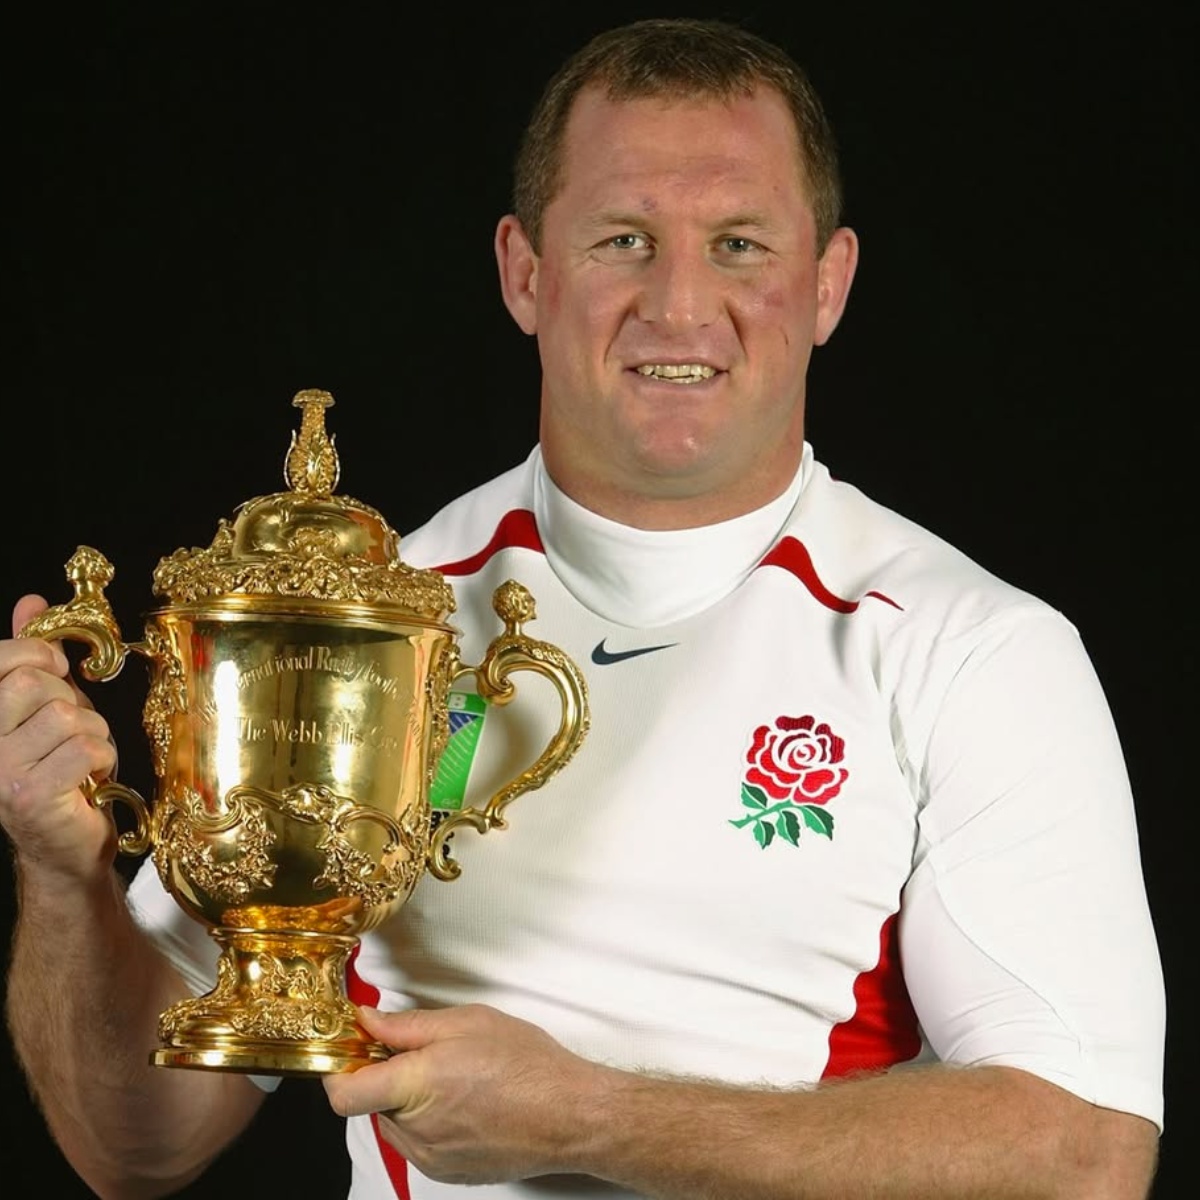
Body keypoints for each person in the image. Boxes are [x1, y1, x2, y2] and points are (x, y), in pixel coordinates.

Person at [0, 17, 1164, 1200]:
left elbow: (1085, 1157)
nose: (680, 303)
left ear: (828, 284)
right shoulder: (365, 625)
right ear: (525, 273)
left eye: (740, 244)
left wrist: (589, 1119)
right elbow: (132, 1146)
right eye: (623, 240)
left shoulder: (972, 652)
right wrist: (60, 875)